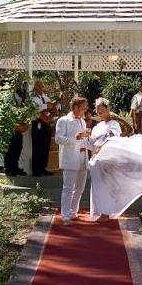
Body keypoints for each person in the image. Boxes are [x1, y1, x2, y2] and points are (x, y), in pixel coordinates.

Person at [55, 97, 89, 226]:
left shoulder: (83, 121)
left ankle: (73, 212)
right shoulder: (63, 120)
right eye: (83, 107)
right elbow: (58, 138)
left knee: (80, 188)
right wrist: (74, 138)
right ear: (75, 107)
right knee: (68, 187)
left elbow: (84, 139)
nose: (85, 109)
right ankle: (65, 215)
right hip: (70, 158)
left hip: (83, 156)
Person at [31, 80, 56, 176]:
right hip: (37, 124)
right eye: (41, 86)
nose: (42, 88)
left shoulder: (46, 97)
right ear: (36, 87)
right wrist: (46, 106)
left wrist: (50, 109)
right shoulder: (33, 98)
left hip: (46, 124)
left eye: (43, 86)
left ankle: (43, 168)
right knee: (38, 147)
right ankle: (36, 170)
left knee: (45, 146)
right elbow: (35, 109)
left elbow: (52, 107)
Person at [4, 90, 28, 176]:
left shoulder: (16, 95)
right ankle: (9, 169)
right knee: (10, 150)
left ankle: (15, 167)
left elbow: (19, 105)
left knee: (17, 148)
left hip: (17, 126)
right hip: (9, 128)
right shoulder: (4, 97)